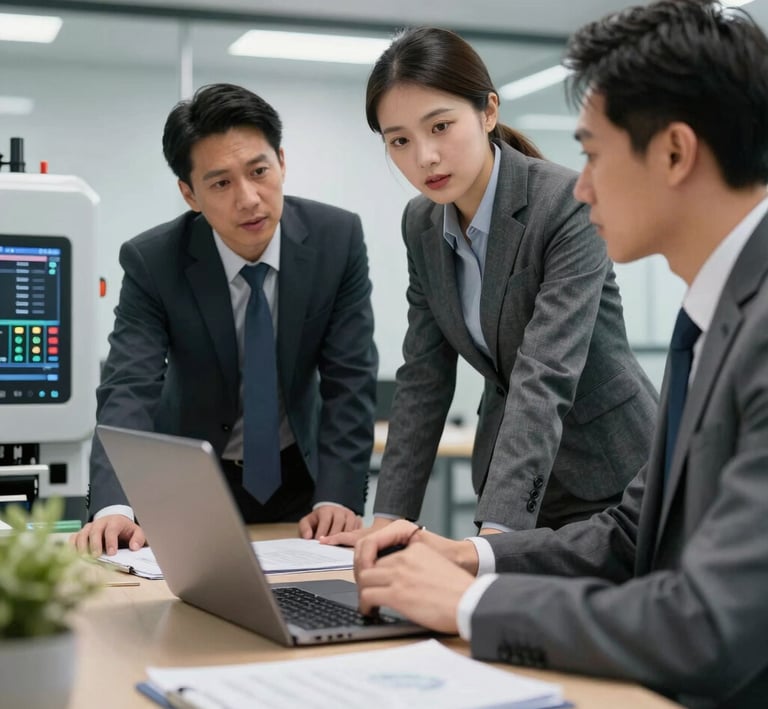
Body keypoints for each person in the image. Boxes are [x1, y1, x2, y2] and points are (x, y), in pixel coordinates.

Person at [327, 1, 768, 706]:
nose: (582, 183)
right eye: (400, 140)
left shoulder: (750, 329)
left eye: (592, 153)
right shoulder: (719, 314)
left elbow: (707, 622)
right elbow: (630, 533)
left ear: (675, 151)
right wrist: (464, 554)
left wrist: (471, 601)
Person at [358, 27, 657, 534]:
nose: (424, 157)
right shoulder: (422, 225)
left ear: (488, 112)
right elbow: (424, 379)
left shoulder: (564, 203)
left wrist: (495, 535)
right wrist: (386, 521)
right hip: (514, 468)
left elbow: (545, 372)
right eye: (400, 141)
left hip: (615, 474)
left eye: (441, 127)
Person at [72, 83, 378, 555]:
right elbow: (129, 386)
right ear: (189, 194)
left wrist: (338, 493)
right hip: (189, 482)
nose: (249, 198)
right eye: (220, 183)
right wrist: (115, 506)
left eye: (259, 171)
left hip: (299, 481)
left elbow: (349, 380)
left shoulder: (336, 240)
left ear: (282, 161)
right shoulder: (153, 261)